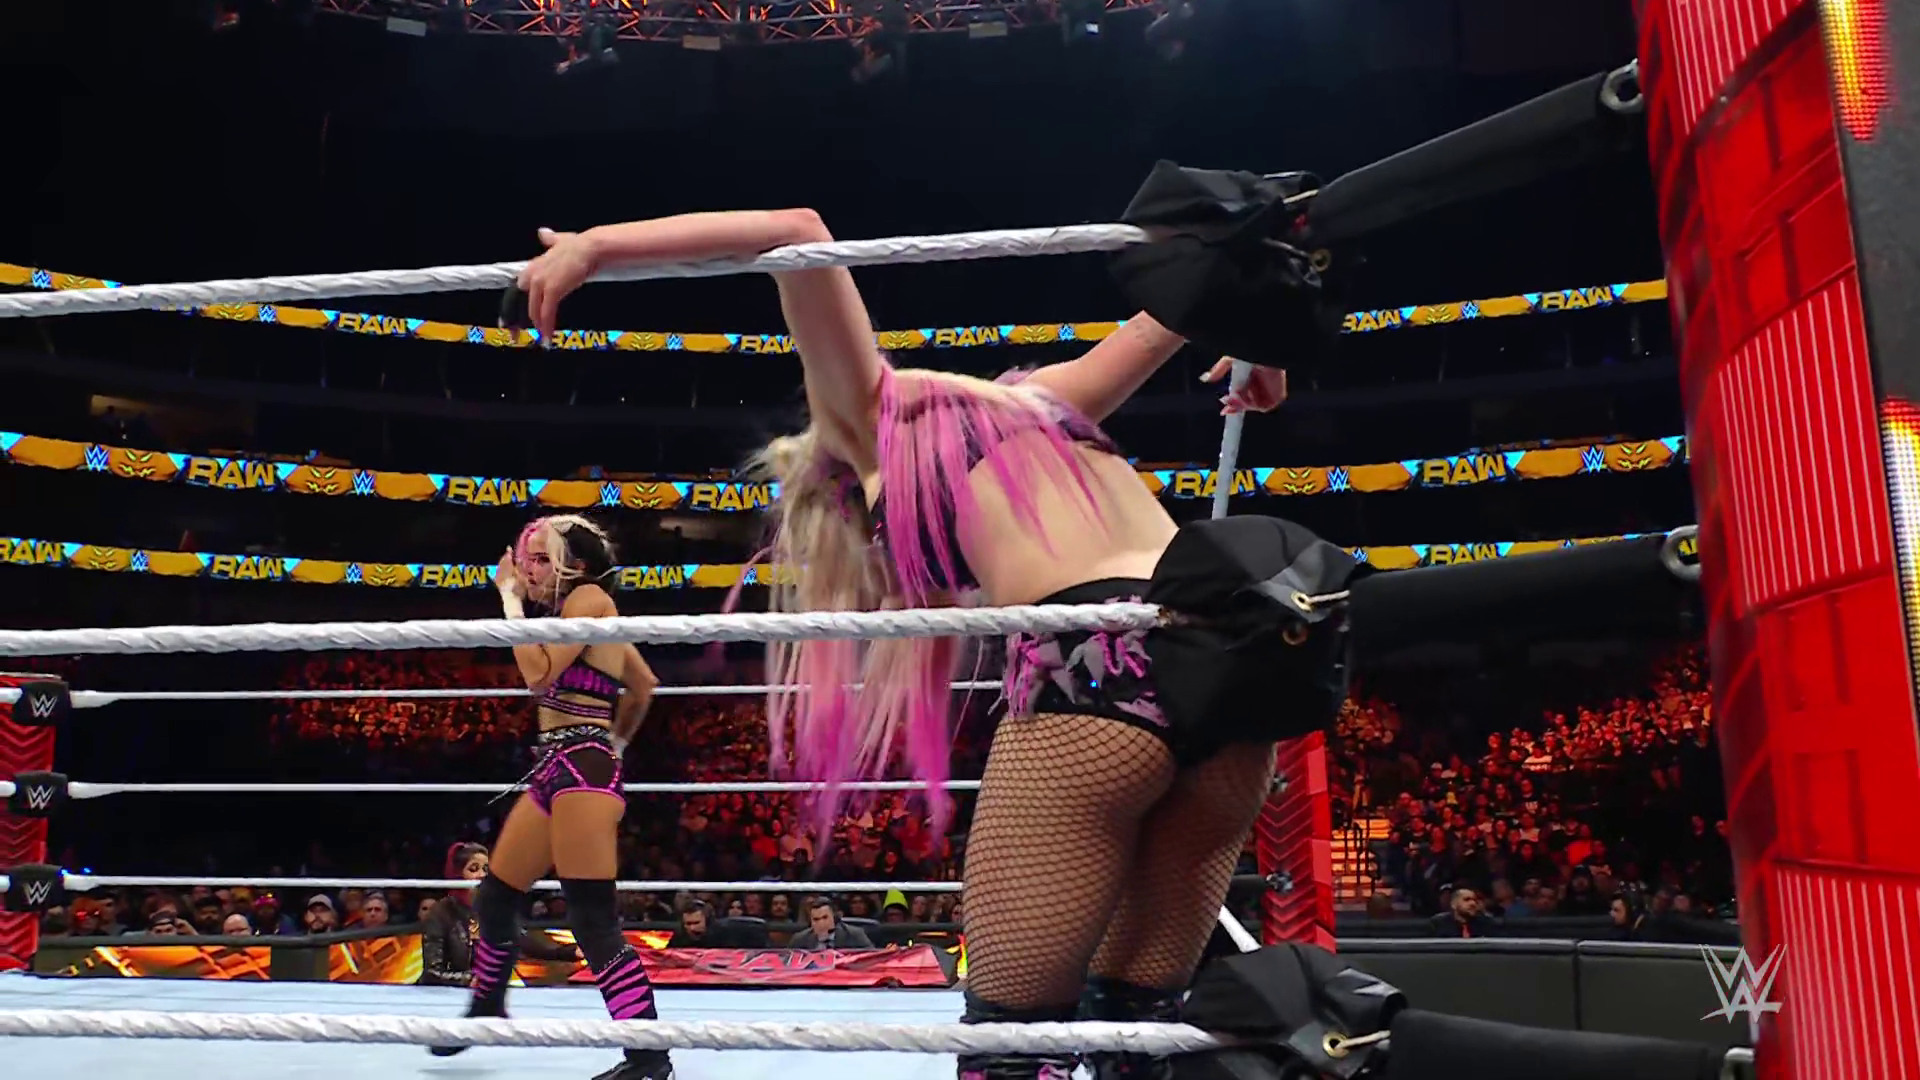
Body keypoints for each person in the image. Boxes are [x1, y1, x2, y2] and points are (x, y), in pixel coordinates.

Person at [517, 211, 1342, 1080]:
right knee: (1139, 1034)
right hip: (1242, 661)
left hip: (1101, 656)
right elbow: (1198, 287)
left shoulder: (865, 419)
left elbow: (797, 231)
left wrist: (595, 247)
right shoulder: (1046, 402)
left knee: (1012, 1046)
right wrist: (1263, 344)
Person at [431, 514, 668, 1080]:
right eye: (527, 559)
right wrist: (617, 744)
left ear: (575, 565)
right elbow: (644, 686)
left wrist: (510, 600)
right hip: (559, 765)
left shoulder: (587, 599)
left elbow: (537, 675)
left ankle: (649, 1058)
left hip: (582, 770)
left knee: (592, 920)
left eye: (542, 559)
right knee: (495, 896)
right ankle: (488, 1003)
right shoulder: (589, 613)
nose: (530, 569)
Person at [420, 842, 581, 987]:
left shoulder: (494, 909)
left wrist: (570, 952)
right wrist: (469, 979)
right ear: (457, 875)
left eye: (485, 869)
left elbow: (527, 944)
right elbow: (432, 973)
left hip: (484, 991)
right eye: (473, 869)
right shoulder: (441, 912)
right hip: (445, 996)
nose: (482, 875)